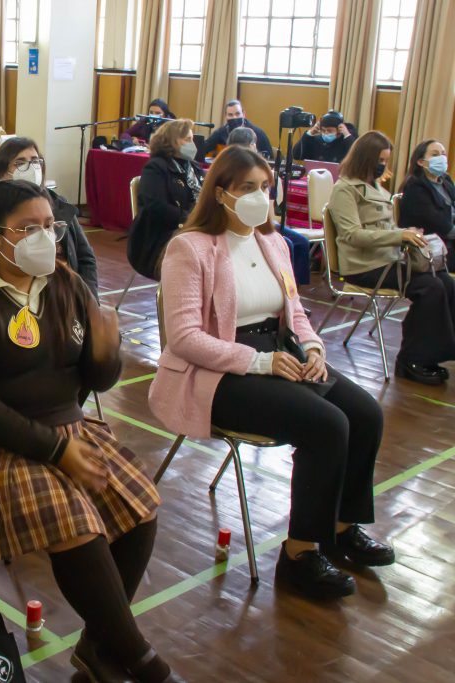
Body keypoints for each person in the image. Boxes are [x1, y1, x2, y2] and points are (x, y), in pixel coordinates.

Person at [0, 180, 174, 682]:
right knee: (73, 524)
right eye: (29, 228)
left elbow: (94, 380)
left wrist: (106, 352)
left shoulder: (63, 283)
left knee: (139, 509)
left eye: (50, 226)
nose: (46, 238)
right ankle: (145, 662)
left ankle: (99, 647)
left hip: (63, 430)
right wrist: (58, 451)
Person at [150, 145, 395, 601]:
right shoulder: (190, 247)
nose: (260, 197)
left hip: (279, 353)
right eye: (248, 188)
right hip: (221, 372)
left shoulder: (274, 243)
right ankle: (300, 553)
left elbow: (295, 312)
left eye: (265, 187)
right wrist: (258, 361)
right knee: (327, 425)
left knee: (365, 414)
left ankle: (342, 529)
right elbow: (183, 337)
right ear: (220, 193)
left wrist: (314, 347)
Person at [330, 131, 455, 385]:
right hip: (363, 266)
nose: (383, 166)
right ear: (365, 158)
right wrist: (399, 235)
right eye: (380, 160)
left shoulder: (376, 187)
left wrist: (406, 234)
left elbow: (385, 229)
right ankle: (410, 359)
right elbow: (352, 235)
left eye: (386, 161)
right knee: (430, 287)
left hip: (387, 260)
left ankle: (435, 354)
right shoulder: (344, 190)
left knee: (446, 282)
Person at [0, 137, 99, 298]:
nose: (31, 168)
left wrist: (89, 300)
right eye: (20, 163)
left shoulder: (59, 204)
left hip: (66, 292)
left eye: (35, 161)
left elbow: (86, 258)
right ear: (2, 171)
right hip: (17, 295)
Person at [229, 126, 311, 285]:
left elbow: (269, 213)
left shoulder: (262, 171)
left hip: (262, 221)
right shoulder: (228, 171)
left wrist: (271, 232)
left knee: (301, 242)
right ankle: (280, 284)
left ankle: (294, 290)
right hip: (239, 223)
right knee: (288, 244)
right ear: (253, 145)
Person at [127, 119, 204, 281]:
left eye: (192, 139)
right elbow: (155, 207)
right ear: (171, 142)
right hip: (158, 239)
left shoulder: (193, 167)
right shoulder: (155, 167)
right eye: (187, 139)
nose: (192, 144)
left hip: (192, 230)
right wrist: (190, 220)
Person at [399, 139, 455, 271]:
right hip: (431, 249)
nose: (441, 158)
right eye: (435, 155)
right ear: (420, 162)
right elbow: (441, 226)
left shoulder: (446, 181)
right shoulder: (414, 188)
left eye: (443, 154)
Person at [200, 100, 272, 159]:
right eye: (230, 115)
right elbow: (203, 149)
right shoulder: (220, 133)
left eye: (237, 114)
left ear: (243, 114)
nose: (234, 117)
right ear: (226, 116)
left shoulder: (258, 133)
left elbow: (269, 157)